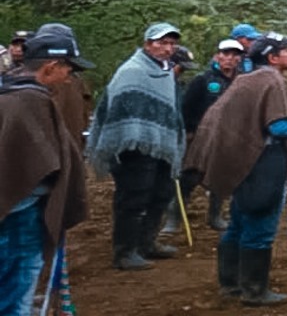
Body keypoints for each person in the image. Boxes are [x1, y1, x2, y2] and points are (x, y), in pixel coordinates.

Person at [186, 32, 287, 305]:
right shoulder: (273, 81)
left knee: (238, 222)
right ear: (272, 57)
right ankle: (254, 290)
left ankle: (230, 283)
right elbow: (279, 127)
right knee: (260, 226)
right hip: (265, 161)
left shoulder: (246, 80)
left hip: (241, 162)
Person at [0, 24, 92, 316]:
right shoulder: (31, 101)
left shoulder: (8, 89)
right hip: (21, 213)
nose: (68, 78)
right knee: (17, 291)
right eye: (68, 69)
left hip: (12, 208)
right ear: (52, 66)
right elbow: (39, 163)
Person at [86, 21, 187, 271]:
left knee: (160, 193)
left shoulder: (165, 71)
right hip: (132, 148)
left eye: (172, 43)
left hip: (160, 145)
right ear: (147, 44)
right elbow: (120, 109)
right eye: (162, 42)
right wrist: (134, 133)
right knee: (133, 198)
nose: (168, 48)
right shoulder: (132, 71)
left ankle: (147, 243)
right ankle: (124, 251)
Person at [179, 38, 244, 230]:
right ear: (217, 56)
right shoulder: (203, 80)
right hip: (200, 137)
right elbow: (187, 107)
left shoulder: (243, 81)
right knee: (190, 176)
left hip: (228, 137)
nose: (229, 59)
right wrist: (189, 130)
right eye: (225, 54)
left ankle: (215, 215)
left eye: (234, 55)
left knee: (221, 176)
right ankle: (174, 217)